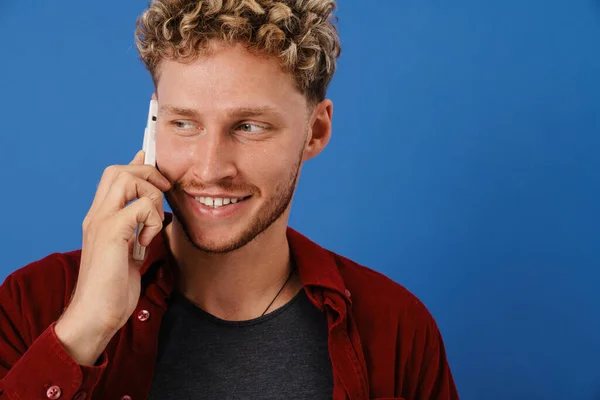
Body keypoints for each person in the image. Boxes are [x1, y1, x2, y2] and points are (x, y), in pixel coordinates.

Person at [0, 0, 459, 399]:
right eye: (184, 123)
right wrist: (83, 332)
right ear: (154, 122)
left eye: (249, 126)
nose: (209, 169)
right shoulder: (33, 305)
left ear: (315, 131)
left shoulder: (397, 326)